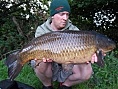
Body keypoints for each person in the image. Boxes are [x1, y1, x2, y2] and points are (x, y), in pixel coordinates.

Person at [31, 0, 98, 89]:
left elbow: (82, 50)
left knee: (87, 71)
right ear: (53, 16)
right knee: (39, 62)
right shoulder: (42, 30)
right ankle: (47, 85)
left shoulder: (74, 30)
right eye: (62, 14)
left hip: (68, 63)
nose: (65, 18)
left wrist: (87, 56)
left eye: (67, 14)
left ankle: (65, 85)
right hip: (50, 64)